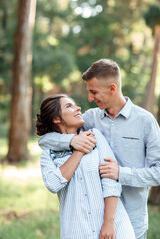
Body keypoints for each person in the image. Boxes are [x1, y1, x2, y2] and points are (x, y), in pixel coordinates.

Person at [39, 59, 160, 239]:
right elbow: (46, 140)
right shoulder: (90, 119)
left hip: (132, 221)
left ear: (112, 88)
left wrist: (120, 173)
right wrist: (72, 141)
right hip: (93, 223)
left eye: (93, 92)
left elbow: (158, 173)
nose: (89, 98)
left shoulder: (145, 121)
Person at [36, 94, 135, 239]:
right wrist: (79, 150)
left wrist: (108, 223)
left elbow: (110, 182)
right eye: (69, 106)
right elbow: (53, 184)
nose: (78, 108)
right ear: (56, 118)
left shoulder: (94, 136)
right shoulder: (48, 155)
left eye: (75, 104)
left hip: (115, 227)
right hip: (77, 231)